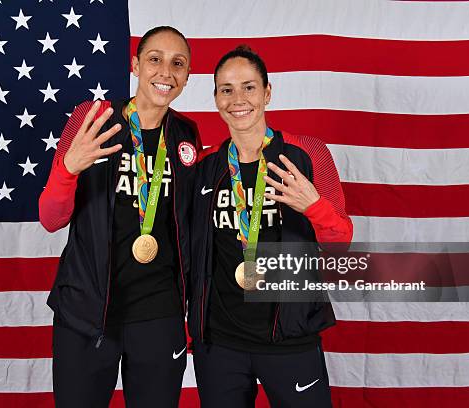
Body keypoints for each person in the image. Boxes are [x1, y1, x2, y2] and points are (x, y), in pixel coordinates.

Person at [39, 26, 201, 408]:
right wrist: (69, 168)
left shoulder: (186, 134)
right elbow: (50, 217)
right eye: (154, 59)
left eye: (177, 64)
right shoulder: (93, 119)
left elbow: (187, 224)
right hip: (87, 311)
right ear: (135, 65)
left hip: (160, 314)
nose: (165, 72)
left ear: (187, 76)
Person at [188, 45, 353, 407]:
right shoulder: (207, 168)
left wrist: (313, 206)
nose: (237, 99)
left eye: (248, 87)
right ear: (215, 98)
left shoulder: (307, 153)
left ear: (267, 92)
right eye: (226, 89)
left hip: (289, 336)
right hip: (220, 342)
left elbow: (340, 240)